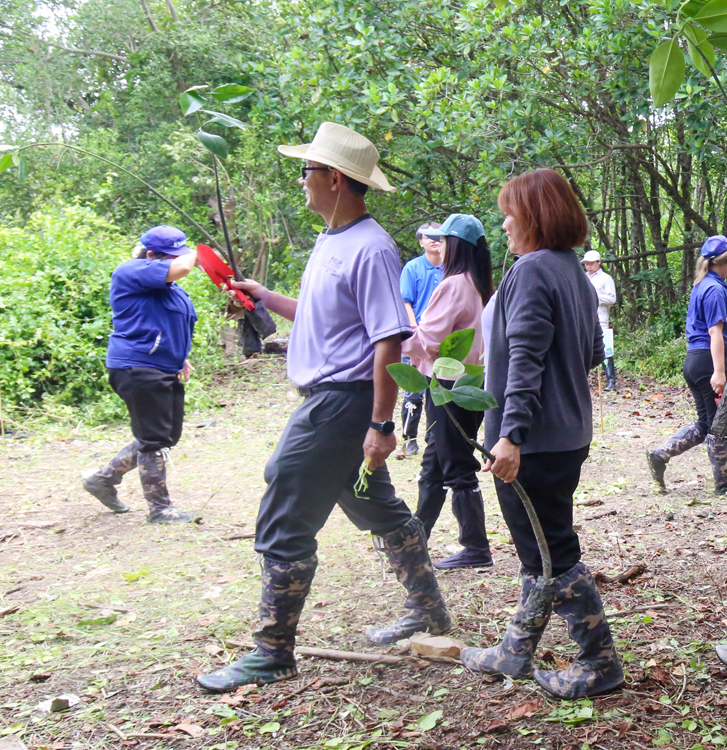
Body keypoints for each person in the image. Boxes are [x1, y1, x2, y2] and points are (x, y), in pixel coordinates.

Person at [196, 122, 451, 693]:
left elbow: (388, 340)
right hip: (331, 395)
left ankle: (272, 650)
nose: (302, 183)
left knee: (285, 496)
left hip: (345, 400)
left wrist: (382, 426)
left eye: (306, 172)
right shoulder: (331, 240)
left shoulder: (372, 247)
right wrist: (264, 297)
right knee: (375, 505)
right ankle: (429, 611)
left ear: (334, 179)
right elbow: (322, 318)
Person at [460, 168, 624, 700]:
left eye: (511, 212)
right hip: (567, 431)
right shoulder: (571, 269)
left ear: (532, 216)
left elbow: (526, 359)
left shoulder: (531, 270)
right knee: (539, 550)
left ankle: (599, 662)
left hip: (534, 440)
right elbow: (594, 352)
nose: (504, 223)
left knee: (553, 550)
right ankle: (515, 649)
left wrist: (511, 435)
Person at [82, 225, 199, 524]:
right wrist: (202, 255)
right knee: (153, 440)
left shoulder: (170, 290)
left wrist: (180, 356)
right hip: (136, 366)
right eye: (172, 256)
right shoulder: (131, 271)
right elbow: (184, 266)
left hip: (162, 367)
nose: (180, 260)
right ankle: (160, 509)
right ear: (150, 255)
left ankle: (103, 479)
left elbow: (167, 322)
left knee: (165, 435)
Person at [402, 213, 494, 570]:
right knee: (434, 462)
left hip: (449, 384)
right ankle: (416, 537)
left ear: (457, 246)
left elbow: (430, 340)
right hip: (469, 382)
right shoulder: (479, 283)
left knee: (455, 465)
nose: (437, 245)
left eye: (443, 240)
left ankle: (475, 547)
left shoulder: (454, 284)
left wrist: (391, 339)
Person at [646, 236, 727, 495]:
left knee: (707, 423)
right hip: (708, 361)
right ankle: (724, 484)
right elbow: (715, 333)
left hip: (694, 361)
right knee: (720, 426)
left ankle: (660, 455)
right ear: (725, 262)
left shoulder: (705, 285)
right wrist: (719, 372)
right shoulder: (715, 289)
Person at [399, 223, 444, 455]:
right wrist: (414, 328)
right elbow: (405, 301)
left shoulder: (451, 268)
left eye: (438, 236)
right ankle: (409, 437)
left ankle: (433, 436)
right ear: (421, 242)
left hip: (443, 341)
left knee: (437, 389)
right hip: (417, 338)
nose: (434, 241)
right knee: (413, 391)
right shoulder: (413, 268)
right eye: (429, 237)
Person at [583, 250, 617, 390]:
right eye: (586, 264)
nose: (589, 267)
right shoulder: (583, 277)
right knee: (584, 348)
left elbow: (612, 299)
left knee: (605, 350)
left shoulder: (605, 278)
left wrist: (593, 296)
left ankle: (611, 381)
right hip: (584, 318)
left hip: (601, 319)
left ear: (599, 262)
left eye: (591, 263)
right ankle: (582, 380)